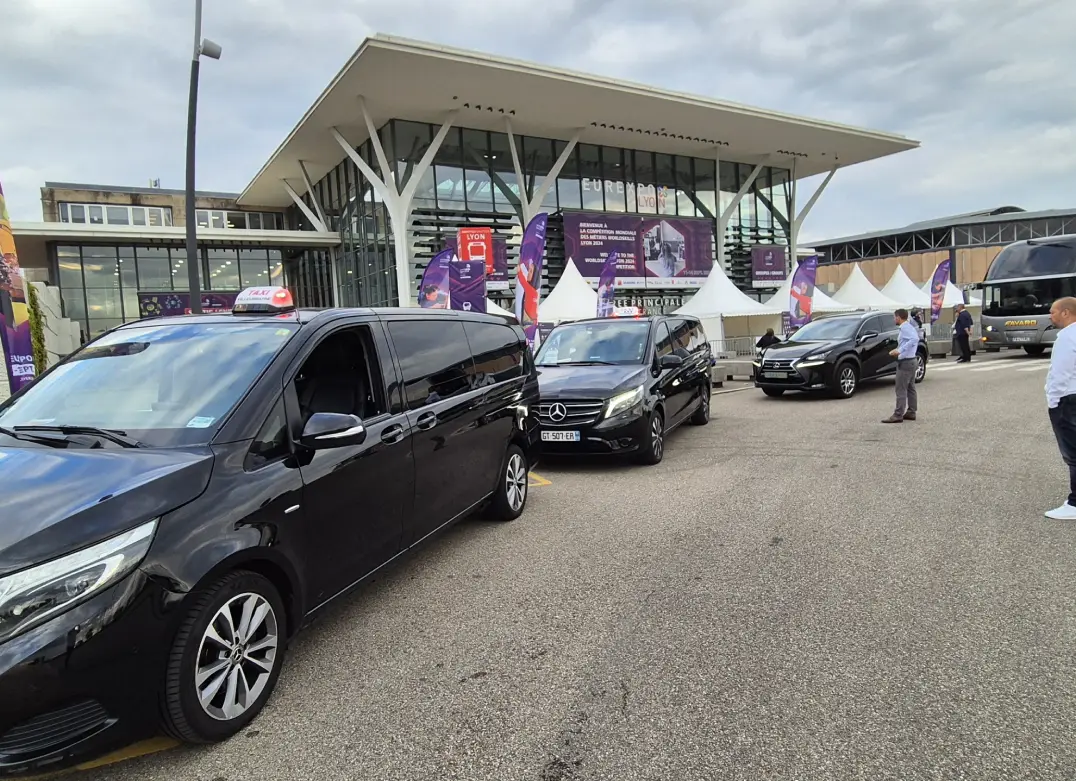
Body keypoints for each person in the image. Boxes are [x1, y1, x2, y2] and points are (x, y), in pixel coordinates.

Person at [1043, 297, 1076, 519]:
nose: (1050, 315)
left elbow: (1060, 373)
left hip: (1068, 400)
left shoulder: (1066, 337)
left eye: (1053, 312)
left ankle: (1074, 504)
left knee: (1073, 452)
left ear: (1066, 313)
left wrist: (1053, 402)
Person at [882, 308, 920, 424]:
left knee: (901, 389)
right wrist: (898, 349)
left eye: (894, 317)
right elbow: (908, 341)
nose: (894, 319)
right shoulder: (908, 327)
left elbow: (914, 339)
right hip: (911, 360)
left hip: (906, 362)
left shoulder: (904, 328)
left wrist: (900, 350)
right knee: (910, 387)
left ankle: (898, 414)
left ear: (898, 317)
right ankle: (911, 411)